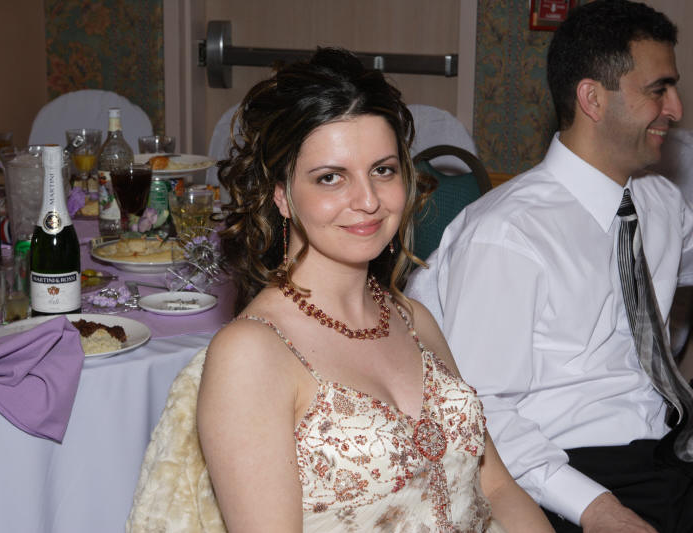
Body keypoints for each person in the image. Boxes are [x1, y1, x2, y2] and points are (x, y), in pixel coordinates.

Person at [196, 47, 554, 532]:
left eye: (383, 170)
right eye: (330, 178)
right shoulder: (252, 352)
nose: (368, 201)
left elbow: (497, 488)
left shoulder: (412, 318)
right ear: (281, 195)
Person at [406, 1, 693, 532]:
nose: (675, 109)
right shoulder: (508, 235)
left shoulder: (660, 202)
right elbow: (481, 408)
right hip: (558, 469)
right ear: (593, 98)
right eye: (659, 90)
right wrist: (597, 509)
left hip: (665, 444)